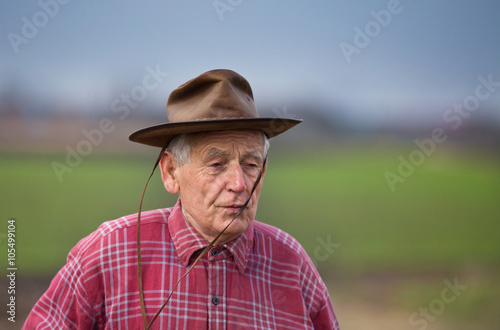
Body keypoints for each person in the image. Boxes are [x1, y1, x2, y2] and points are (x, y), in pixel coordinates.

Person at [23, 69, 340, 329]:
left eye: (251, 164)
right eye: (216, 165)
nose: (239, 184)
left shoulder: (292, 264)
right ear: (171, 172)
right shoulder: (108, 253)